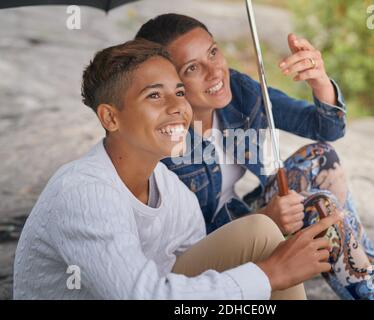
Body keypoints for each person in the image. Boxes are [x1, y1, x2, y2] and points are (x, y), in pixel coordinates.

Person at [13, 39, 342, 300]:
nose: (177, 108)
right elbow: (140, 295)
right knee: (268, 265)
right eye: (154, 95)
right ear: (110, 118)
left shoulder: (171, 190)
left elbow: (200, 290)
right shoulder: (85, 193)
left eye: (179, 92)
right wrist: (270, 274)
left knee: (259, 231)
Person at [135, 14, 374, 300]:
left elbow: (326, 128)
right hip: (208, 248)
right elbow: (177, 242)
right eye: (193, 68)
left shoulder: (240, 92)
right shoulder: (163, 142)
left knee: (322, 156)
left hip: (242, 213)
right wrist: (263, 218)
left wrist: (319, 81)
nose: (215, 72)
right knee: (321, 206)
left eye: (213, 52)